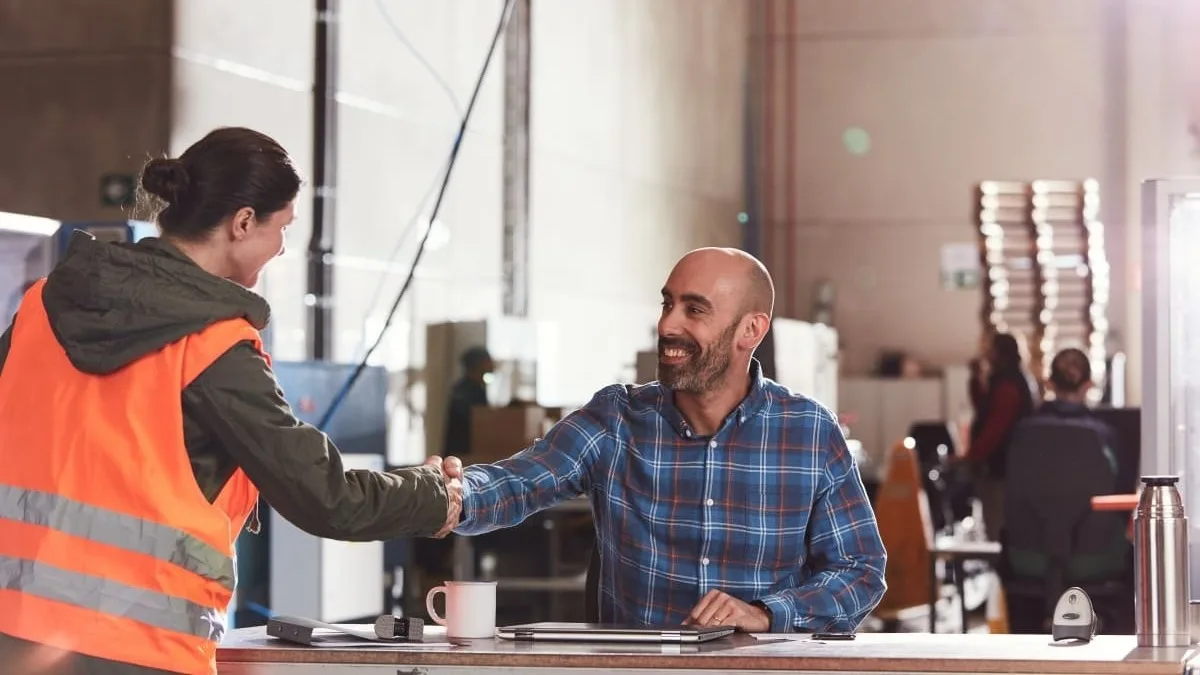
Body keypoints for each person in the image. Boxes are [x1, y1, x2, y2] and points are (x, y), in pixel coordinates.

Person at [0, 127, 461, 675]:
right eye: (282, 227)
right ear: (242, 223)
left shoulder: (39, 307)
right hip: (138, 650)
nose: (284, 247)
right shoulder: (213, 343)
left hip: (16, 639)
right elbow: (327, 496)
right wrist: (433, 495)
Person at [439, 247, 887, 633]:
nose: (667, 325)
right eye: (667, 304)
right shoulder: (616, 418)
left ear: (751, 330)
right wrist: (452, 494)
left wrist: (766, 614)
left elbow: (859, 571)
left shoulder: (808, 432)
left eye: (694, 310)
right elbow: (520, 481)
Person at [963, 332, 1038, 541]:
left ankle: (1001, 570)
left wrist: (971, 456)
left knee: (997, 526)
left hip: (1001, 470)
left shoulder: (1008, 384)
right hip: (1006, 466)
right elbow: (985, 410)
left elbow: (995, 428)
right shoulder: (1008, 380)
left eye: (990, 349)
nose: (985, 354)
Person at [443, 346, 495, 457]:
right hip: (461, 455)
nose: (492, 365)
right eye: (488, 361)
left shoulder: (478, 388)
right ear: (478, 364)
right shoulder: (464, 390)